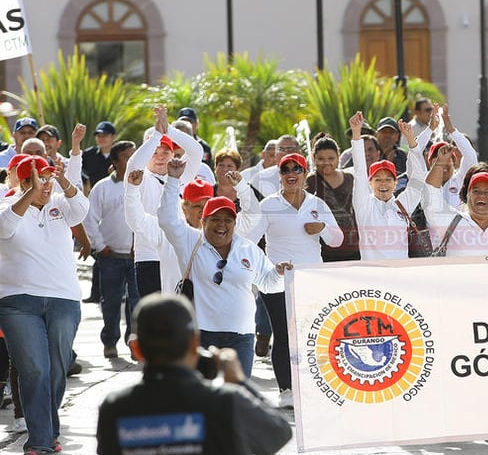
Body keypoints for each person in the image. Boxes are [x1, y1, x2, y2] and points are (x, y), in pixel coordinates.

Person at [96, 293, 292, 455]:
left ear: (137, 350)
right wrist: (239, 381)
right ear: (194, 343)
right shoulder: (224, 402)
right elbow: (280, 431)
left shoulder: (113, 410)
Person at [158, 158, 291, 379]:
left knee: (237, 396)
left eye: (228, 220)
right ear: (204, 222)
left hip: (241, 337)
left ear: (235, 223)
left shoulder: (248, 249)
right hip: (201, 335)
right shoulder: (190, 241)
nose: (222, 225)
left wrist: (278, 273)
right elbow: (167, 219)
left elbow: (270, 286)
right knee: (202, 397)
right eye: (215, 219)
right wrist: (172, 180)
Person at [0, 155, 89, 455]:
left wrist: (62, 180)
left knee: (56, 370)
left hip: (63, 299)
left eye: (49, 179)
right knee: (34, 369)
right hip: (17, 303)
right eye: (40, 180)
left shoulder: (61, 203)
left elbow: (81, 210)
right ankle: (39, 440)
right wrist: (29, 194)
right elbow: (4, 228)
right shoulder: (6, 205)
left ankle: (48, 432)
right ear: (24, 182)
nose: (47, 186)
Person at [242, 152, 342, 406]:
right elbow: (250, 242)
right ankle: (286, 390)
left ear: (305, 174)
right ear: (280, 176)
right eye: (285, 170)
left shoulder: (317, 204)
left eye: (296, 169)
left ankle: (312, 386)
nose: (291, 174)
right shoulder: (268, 205)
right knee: (283, 334)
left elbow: (337, 240)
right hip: (278, 280)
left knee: (312, 334)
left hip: (312, 280)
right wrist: (264, 270)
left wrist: (323, 228)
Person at [125, 106, 203, 297]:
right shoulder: (140, 178)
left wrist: (168, 130)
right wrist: (156, 137)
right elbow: (133, 164)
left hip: (179, 255)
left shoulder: (180, 175)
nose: (160, 157)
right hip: (150, 257)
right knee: (155, 320)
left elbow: (196, 151)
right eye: (155, 152)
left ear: (173, 154)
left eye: (165, 152)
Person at [83, 141, 139, 360]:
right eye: (126, 156)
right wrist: (100, 246)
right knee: (112, 301)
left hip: (136, 257)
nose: (131, 160)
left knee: (137, 302)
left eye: (133, 156)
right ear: (115, 162)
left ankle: (133, 342)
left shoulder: (142, 185)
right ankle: (110, 341)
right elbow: (90, 219)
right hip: (111, 256)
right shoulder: (103, 187)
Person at [349, 111, 427, 260]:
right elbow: (359, 171)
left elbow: (418, 179)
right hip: (372, 278)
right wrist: (356, 132)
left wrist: (411, 140)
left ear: (395, 183)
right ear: (370, 183)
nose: (383, 183)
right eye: (378, 179)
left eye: (388, 179)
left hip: (400, 278)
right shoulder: (364, 205)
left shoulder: (403, 204)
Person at [424, 158, 488, 256]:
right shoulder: (451, 221)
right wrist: (440, 161)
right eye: (476, 191)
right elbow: (430, 196)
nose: (482, 196)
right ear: (467, 195)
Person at [305, 136, 361, 262]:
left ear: (338, 157)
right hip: (325, 250)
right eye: (321, 159)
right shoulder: (310, 181)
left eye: (331, 158)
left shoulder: (349, 179)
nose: (326, 163)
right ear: (314, 159)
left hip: (353, 247)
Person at [82, 120, 117, 191]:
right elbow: (82, 175)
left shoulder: (120, 155)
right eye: (98, 136)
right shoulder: (88, 155)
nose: (101, 139)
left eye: (105, 135)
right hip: (93, 196)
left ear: (113, 137)